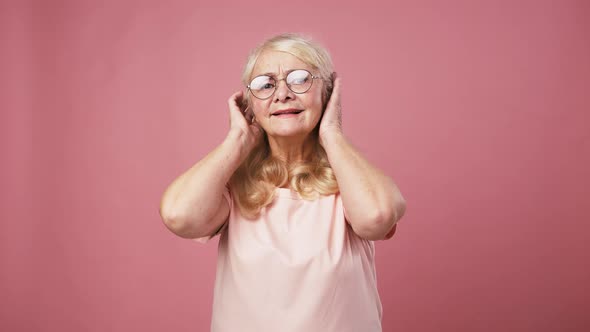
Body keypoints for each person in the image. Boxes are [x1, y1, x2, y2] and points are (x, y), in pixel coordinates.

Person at [159, 33, 406, 332]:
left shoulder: (351, 181)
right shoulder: (234, 186)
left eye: (300, 79)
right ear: (250, 104)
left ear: (327, 93)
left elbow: (377, 217)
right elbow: (178, 215)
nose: (282, 94)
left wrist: (333, 133)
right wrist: (237, 139)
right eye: (265, 84)